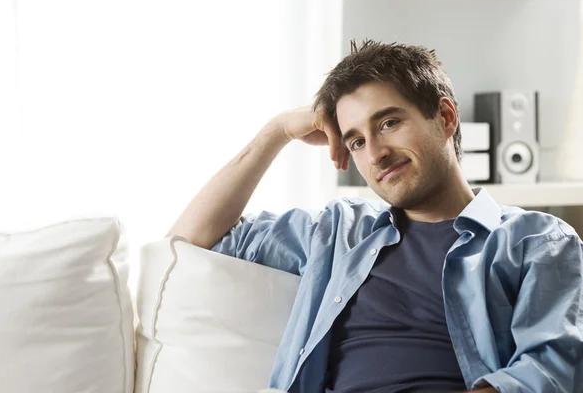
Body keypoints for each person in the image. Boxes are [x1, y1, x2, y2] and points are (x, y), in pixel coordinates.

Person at [166, 40, 583, 393]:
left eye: (389, 122)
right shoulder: (336, 233)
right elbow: (188, 240)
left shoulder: (537, 241)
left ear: (446, 117)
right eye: (357, 141)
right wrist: (276, 132)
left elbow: (552, 368)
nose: (375, 154)